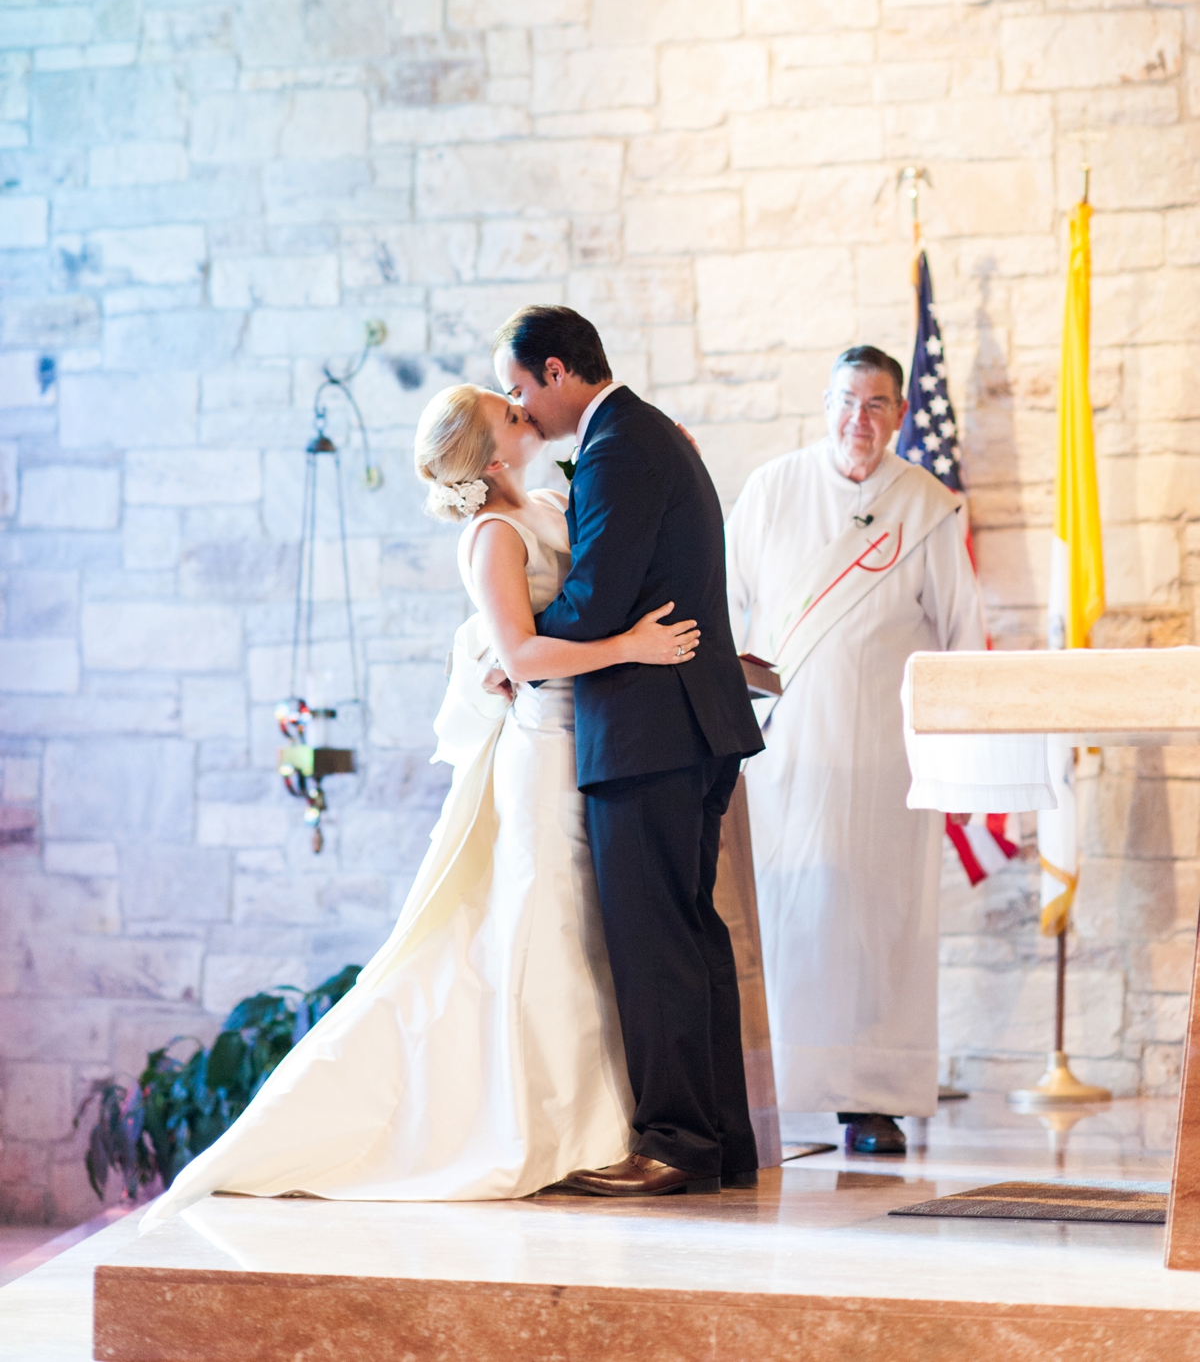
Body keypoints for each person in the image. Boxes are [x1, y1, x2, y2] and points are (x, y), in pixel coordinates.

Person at [140, 382, 702, 1226]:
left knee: (576, 933)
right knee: (536, 927)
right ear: (488, 453)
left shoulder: (552, 500)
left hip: (583, 744)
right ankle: (525, 1126)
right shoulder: (492, 536)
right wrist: (631, 647)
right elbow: (521, 649)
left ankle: (585, 1124)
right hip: (540, 749)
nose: (523, 411)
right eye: (507, 414)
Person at [494, 305, 765, 1198]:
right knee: (690, 934)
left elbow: (601, 593)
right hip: (689, 721)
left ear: (560, 369)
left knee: (654, 940)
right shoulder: (646, 433)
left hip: (653, 726)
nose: (522, 408)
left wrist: (521, 650)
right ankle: (720, 1140)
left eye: (524, 387)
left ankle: (675, 1144)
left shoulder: (618, 444)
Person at [725, 345, 986, 1156]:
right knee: (788, 917)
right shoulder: (771, 490)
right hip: (785, 756)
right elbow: (728, 609)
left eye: (876, 406)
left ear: (901, 416)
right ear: (826, 402)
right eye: (846, 401)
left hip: (885, 764)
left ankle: (870, 1102)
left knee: (879, 928)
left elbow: (961, 635)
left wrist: (960, 752)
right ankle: (768, 1091)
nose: (858, 421)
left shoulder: (927, 506)